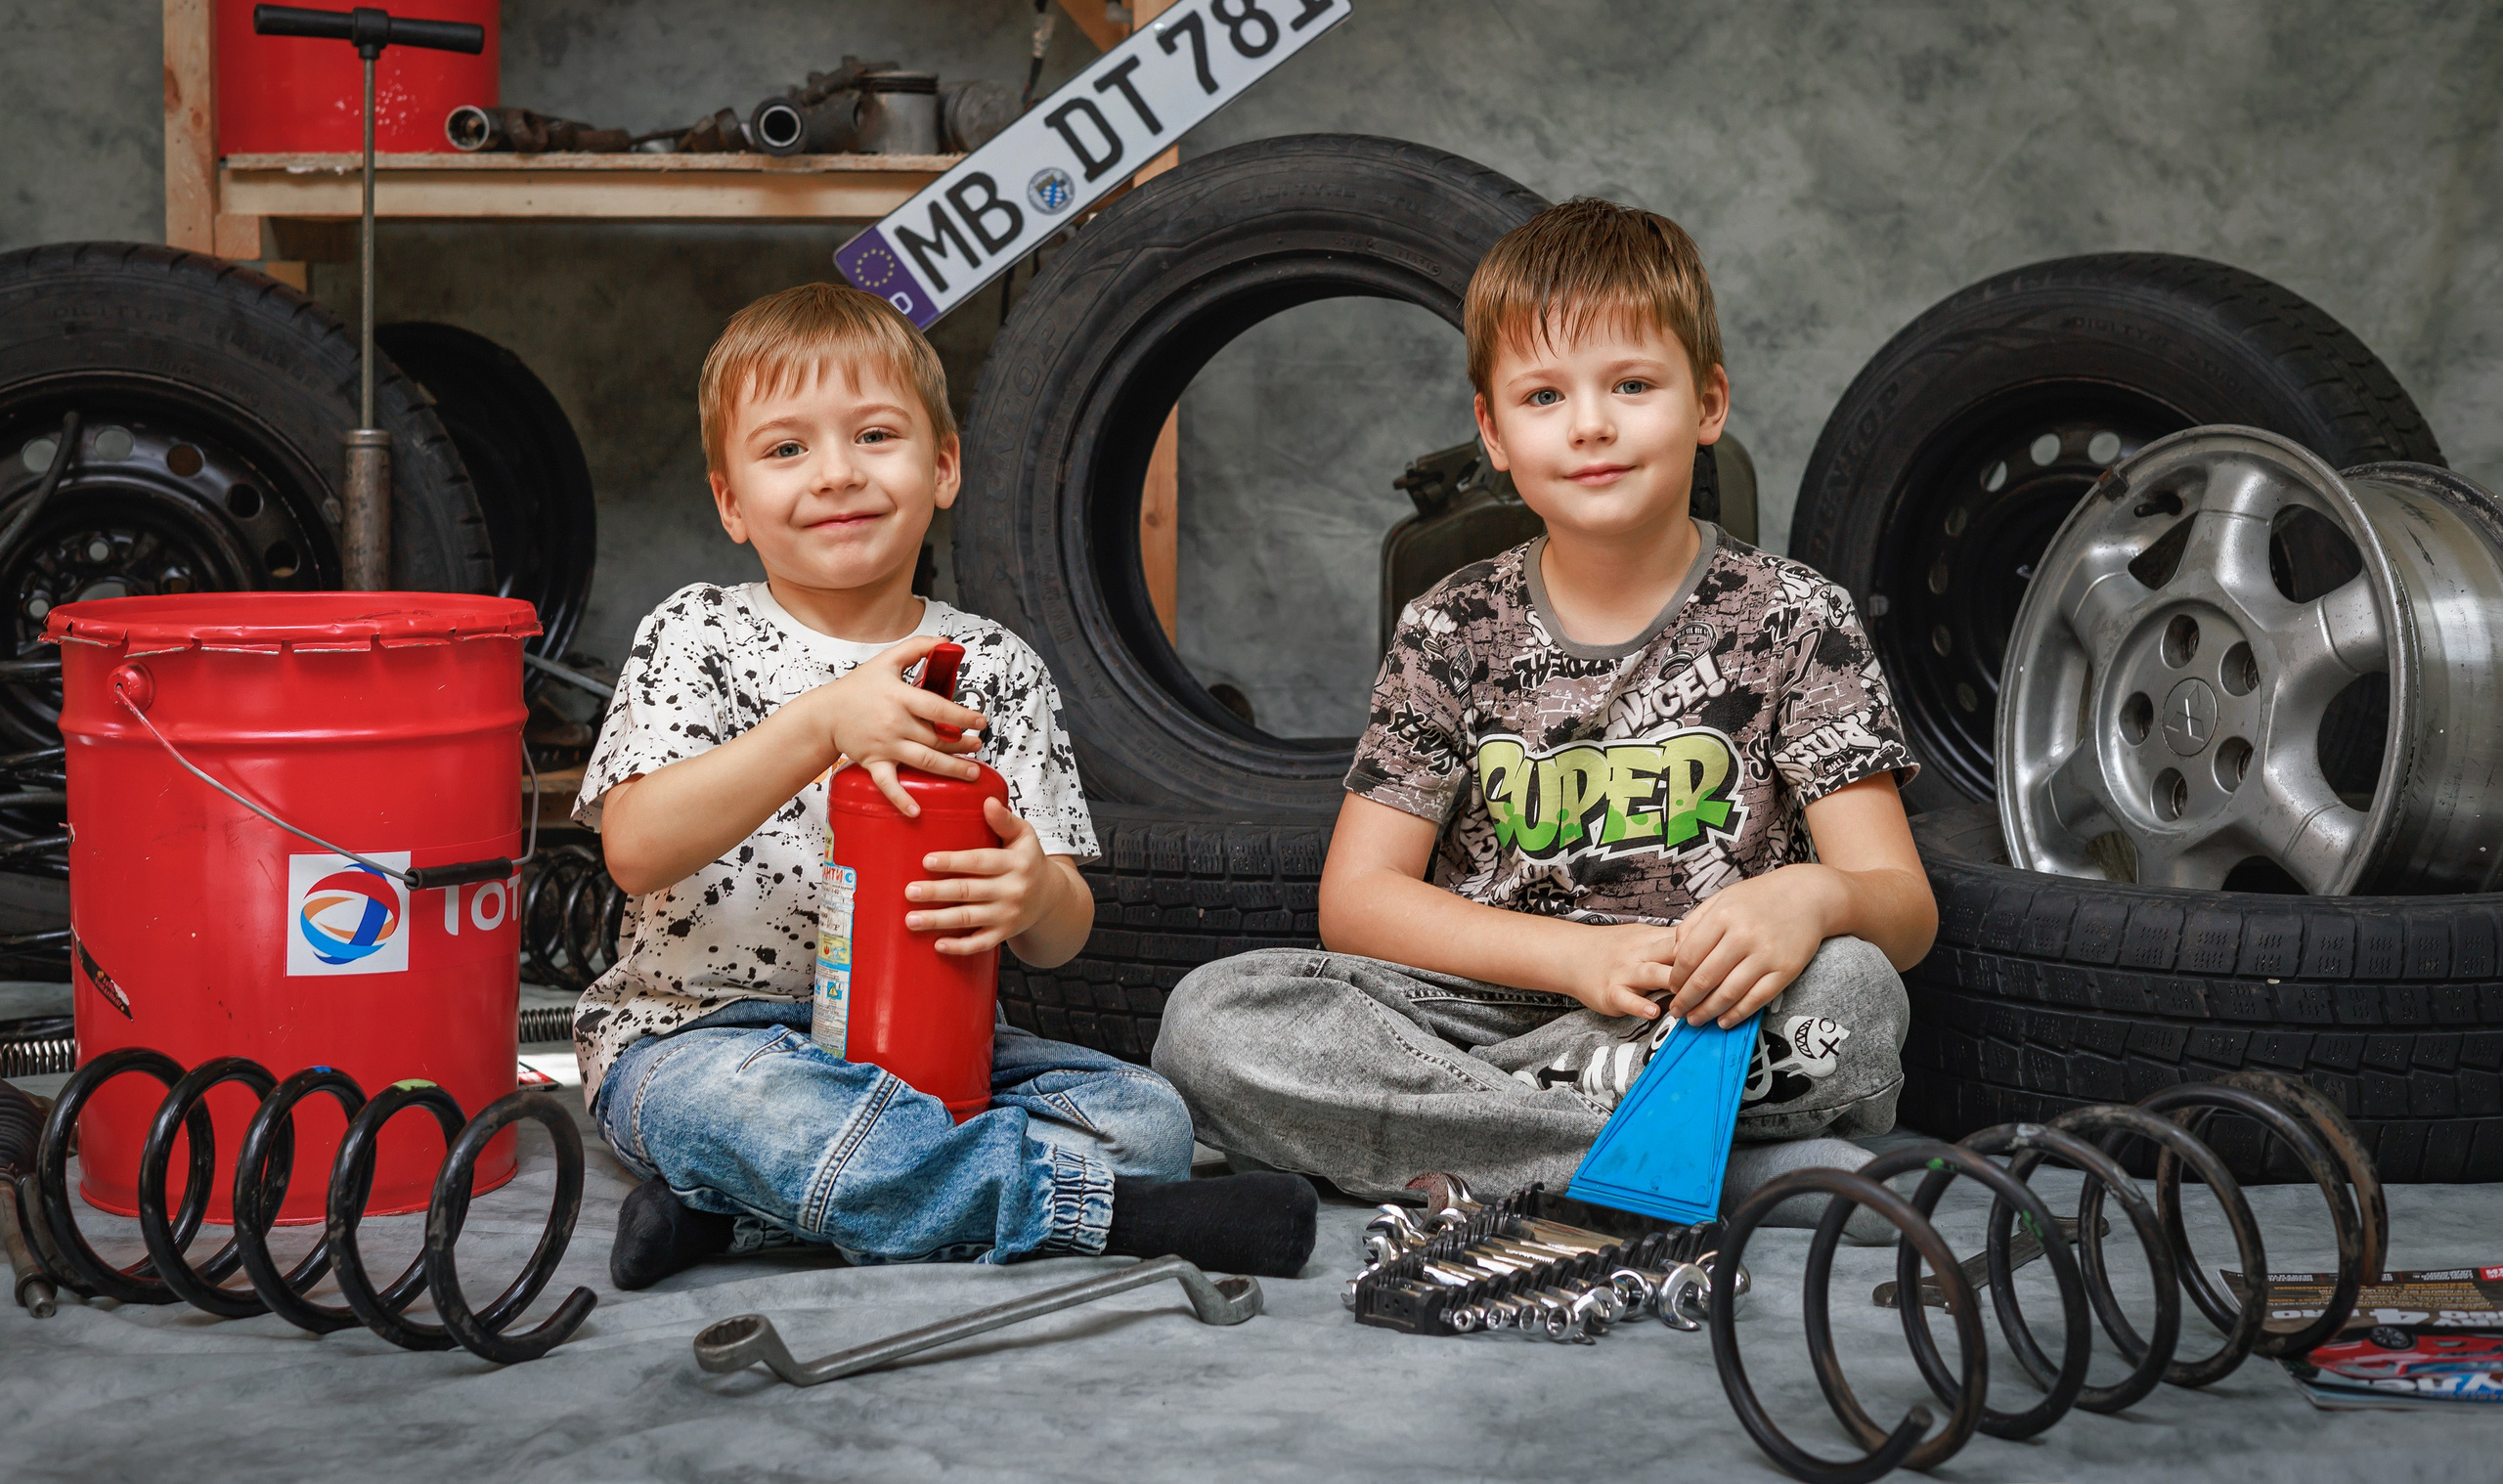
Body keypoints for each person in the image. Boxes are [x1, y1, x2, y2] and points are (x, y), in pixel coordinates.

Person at [1153, 199, 1937, 1213]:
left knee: (1856, 998)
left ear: (1706, 404)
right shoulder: (1452, 627)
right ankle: (1712, 1171)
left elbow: (1900, 906)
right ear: (1491, 432)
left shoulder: (1795, 618)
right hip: (1472, 1015)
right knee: (1212, 1023)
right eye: (1542, 397)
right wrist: (1574, 956)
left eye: (1632, 385)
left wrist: (1812, 900)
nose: (1591, 425)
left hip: (1699, 1015)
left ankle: (1508, 1147)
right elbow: (1357, 900)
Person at [573, 282, 1316, 1288]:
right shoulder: (697, 633)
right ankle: (1110, 1219)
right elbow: (636, 848)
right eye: (786, 449)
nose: (835, 474)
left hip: (940, 1047)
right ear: (731, 502)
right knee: (763, 1114)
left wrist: (1033, 892)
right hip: (705, 1037)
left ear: (944, 465)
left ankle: (740, 1215)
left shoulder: (994, 665)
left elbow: (1061, 932)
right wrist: (820, 723)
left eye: (874, 435)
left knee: (1149, 1120)